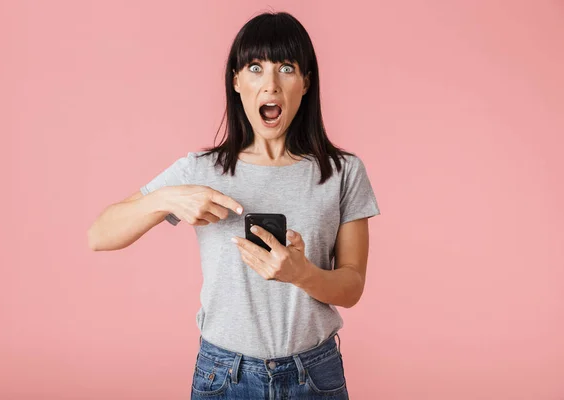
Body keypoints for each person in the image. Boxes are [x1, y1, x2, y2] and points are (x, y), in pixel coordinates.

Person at [88, 10, 380, 399]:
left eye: (287, 68)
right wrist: (167, 198)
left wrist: (301, 273)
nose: (270, 85)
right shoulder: (201, 169)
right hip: (224, 377)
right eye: (256, 68)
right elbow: (99, 235)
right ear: (237, 81)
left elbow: (352, 286)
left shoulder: (343, 172)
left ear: (306, 83)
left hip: (314, 375)